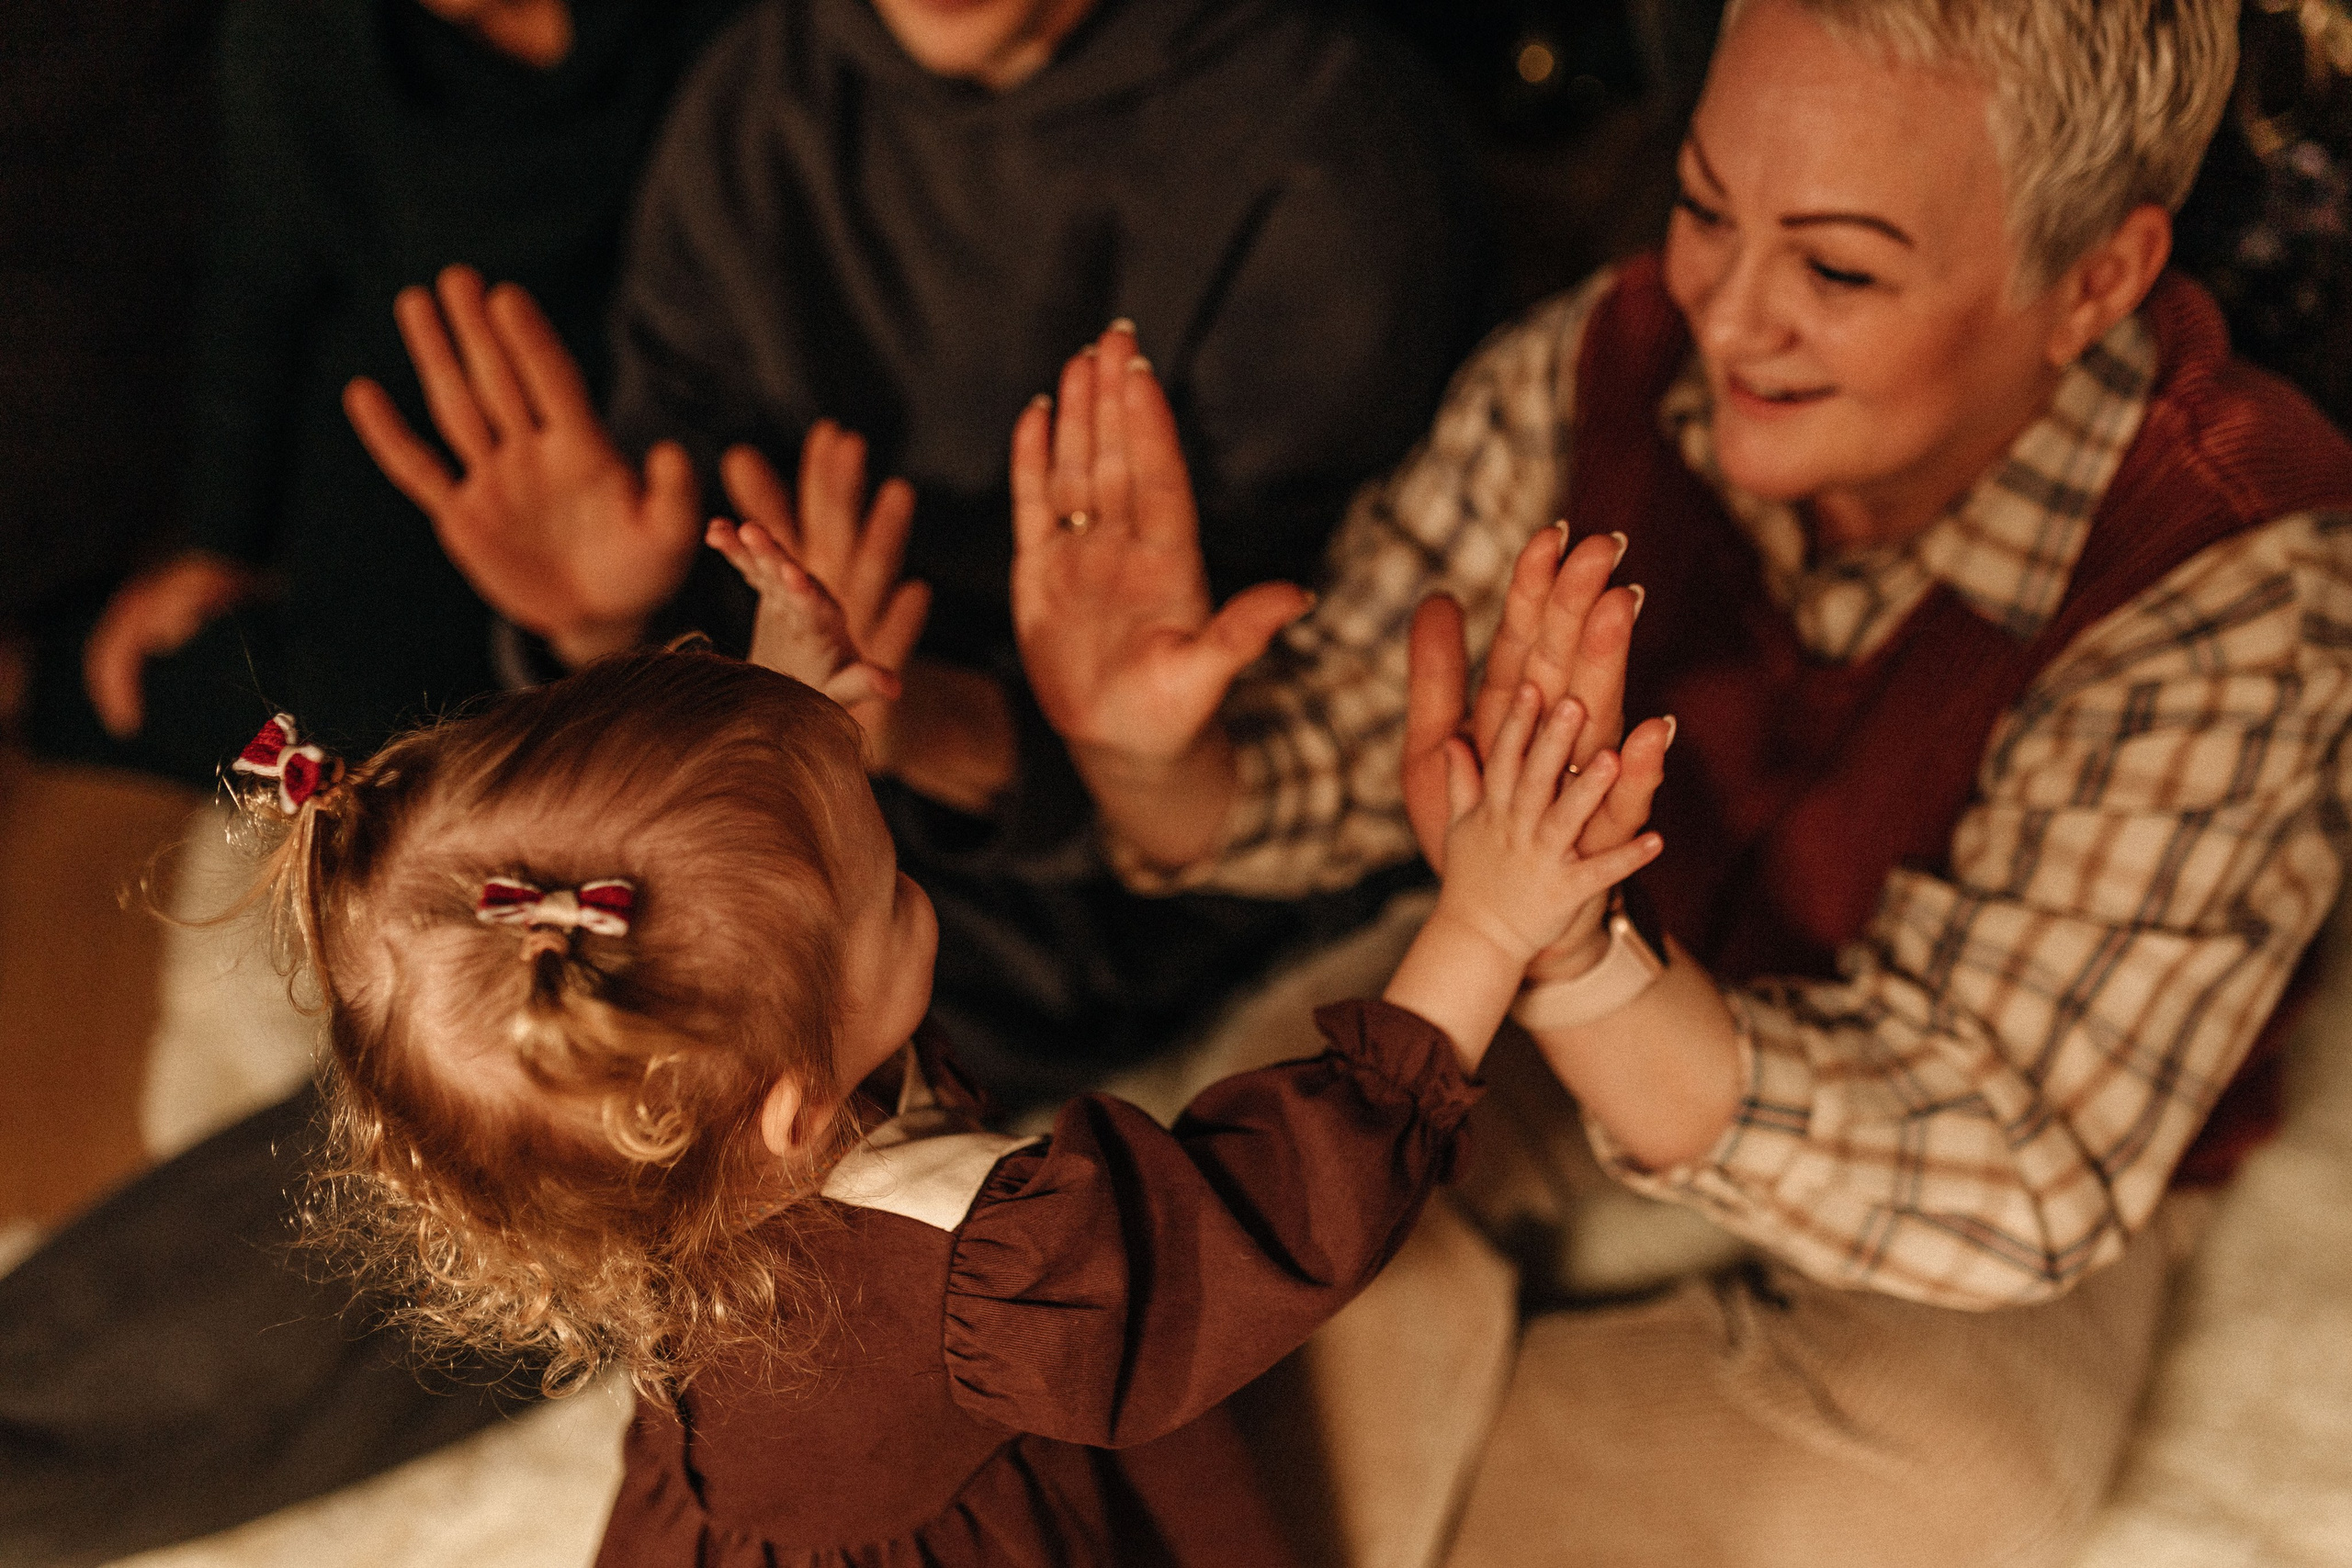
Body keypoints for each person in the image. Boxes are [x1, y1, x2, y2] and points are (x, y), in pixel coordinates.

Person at [1008, 0, 2352, 1562]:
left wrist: (1580, 962)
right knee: (1265, 1212)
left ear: (2097, 281)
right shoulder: (1605, 358)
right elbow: (1338, 757)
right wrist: (1149, 752)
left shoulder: (2247, 567)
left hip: (1942, 1161)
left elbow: (2019, 1165)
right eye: (1707, 206)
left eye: (1839, 268)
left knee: (1945, 1469)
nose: (1729, 313)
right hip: (1547, 989)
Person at [237, 499, 1662, 1565]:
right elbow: (1267, 1213)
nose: (911, 876)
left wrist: (791, 715)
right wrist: (1480, 925)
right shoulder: (986, 1270)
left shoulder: (632, 1124)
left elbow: (730, 895)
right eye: (885, 880)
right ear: (796, 1104)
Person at [343, 0, 1487, 1104]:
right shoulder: (759, 95)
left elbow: (1250, 754)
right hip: (748, 821)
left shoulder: (1318, 137)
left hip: (1070, 914)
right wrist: (603, 630)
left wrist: (903, 725)